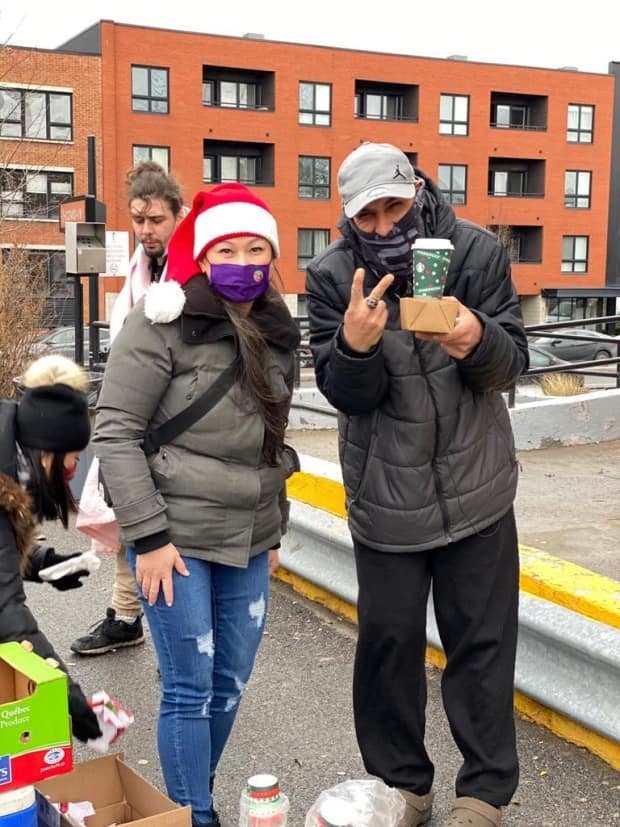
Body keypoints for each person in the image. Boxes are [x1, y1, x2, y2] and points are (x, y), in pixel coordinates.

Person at [305, 142, 529, 827]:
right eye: (365, 215)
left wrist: (475, 337)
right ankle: (403, 785)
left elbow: (511, 363)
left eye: (393, 208)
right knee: (388, 645)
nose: (381, 227)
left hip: (477, 489)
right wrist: (354, 345)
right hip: (385, 500)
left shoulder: (476, 253)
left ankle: (483, 793)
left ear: (417, 192)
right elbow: (346, 395)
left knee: (482, 646)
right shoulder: (331, 274)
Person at [93, 183, 301, 827]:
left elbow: (269, 442)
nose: (243, 260)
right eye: (228, 249)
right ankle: (194, 815)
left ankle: (190, 791)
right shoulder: (160, 324)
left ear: (270, 254)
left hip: (248, 536)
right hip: (173, 537)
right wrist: (148, 538)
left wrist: (270, 536)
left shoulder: (277, 328)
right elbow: (117, 431)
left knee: (231, 681)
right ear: (205, 259)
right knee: (189, 686)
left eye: (256, 248)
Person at [71, 161, 186, 656]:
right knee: (127, 517)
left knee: (164, 527)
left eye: (156, 219)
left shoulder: (194, 265)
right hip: (137, 416)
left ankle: (170, 637)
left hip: (178, 422)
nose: (146, 230)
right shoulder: (142, 270)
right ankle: (125, 616)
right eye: (138, 219)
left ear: (177, 215)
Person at [0, 354, 102, 744]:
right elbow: (7, 614)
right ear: (49, 453)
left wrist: (44, 563)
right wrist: (70, 702)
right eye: (72, 461)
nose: (72, 472)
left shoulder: (10, 449)